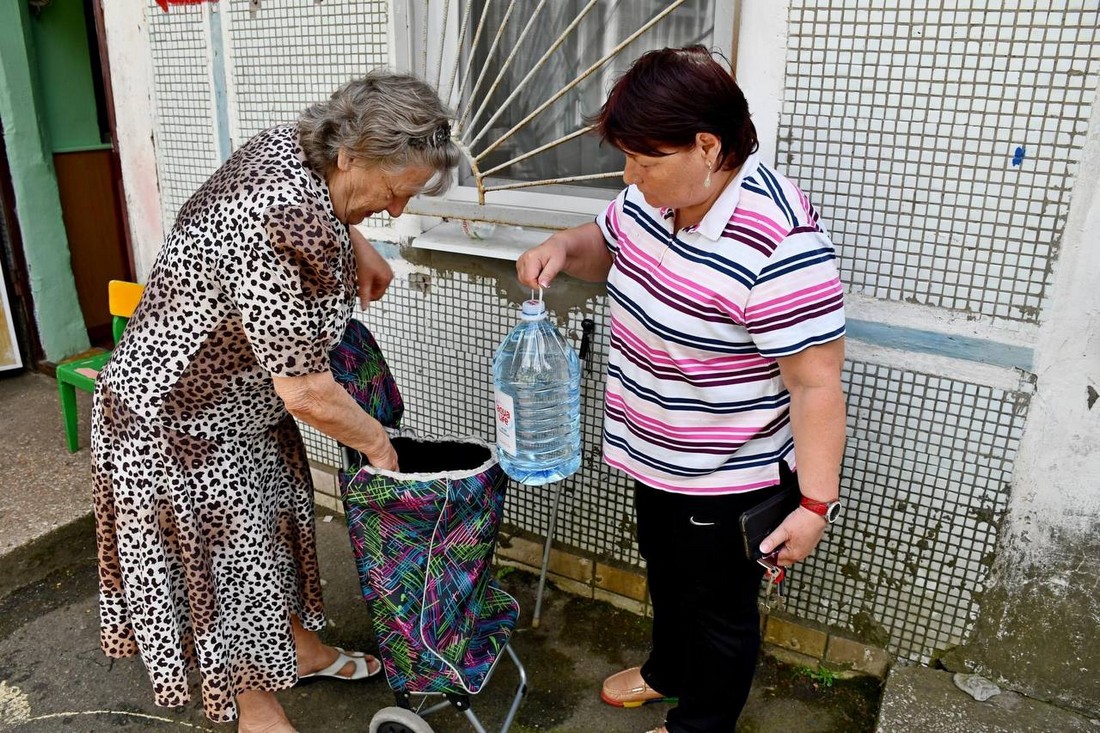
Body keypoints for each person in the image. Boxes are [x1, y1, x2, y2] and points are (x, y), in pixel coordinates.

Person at [91, 71, 460, 732]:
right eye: (392, 192)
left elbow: (316, 203)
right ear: (350, 153)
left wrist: (360, 240)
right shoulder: (277, 213)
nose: (398, 210)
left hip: (235, 407)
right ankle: (257, 712)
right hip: (176, 424)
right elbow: (308, 391)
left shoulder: (299, 149)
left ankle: (300, 647)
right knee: (232, 564)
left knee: (269, 538)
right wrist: (379, 444)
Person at [516, 46, 846, 733]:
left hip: (728, 474)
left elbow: (816, 386)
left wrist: (814, 505)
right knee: (665, 570)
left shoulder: (780, 243)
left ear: (708, 145)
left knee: (719, 609)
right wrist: (560, 248)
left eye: (644, 159)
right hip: (654, 449)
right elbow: (605, 241)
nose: (628, 175)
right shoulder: (653, 194)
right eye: (627, 160)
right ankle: (668, 670)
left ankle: (700, 722)